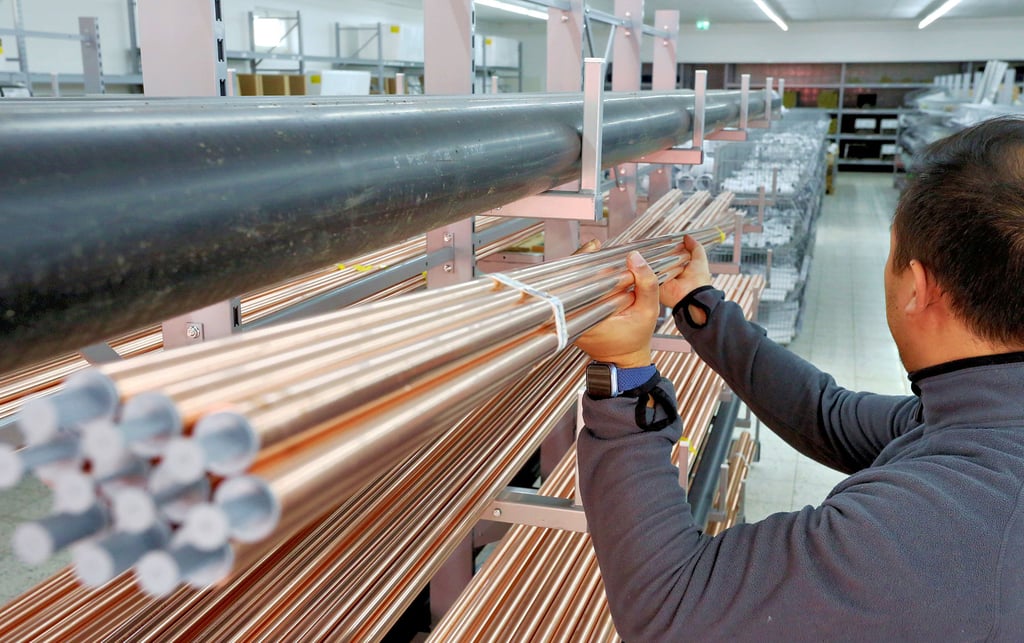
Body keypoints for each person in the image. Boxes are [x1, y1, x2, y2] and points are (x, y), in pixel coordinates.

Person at [573, 116, 1024, 641]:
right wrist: (701, 307)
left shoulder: (930, 532)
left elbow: (671, 608)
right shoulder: (983, 414)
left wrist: (625, 374)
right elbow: (827, 414)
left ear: (917, 288)